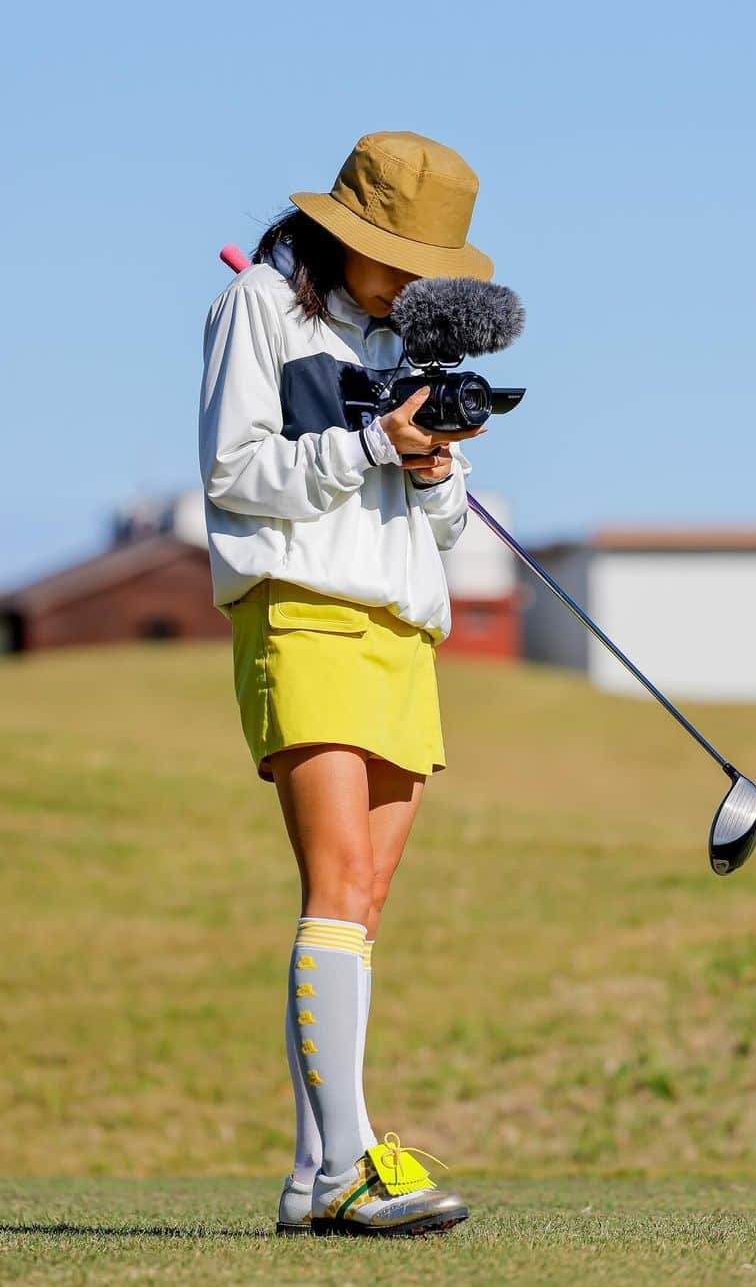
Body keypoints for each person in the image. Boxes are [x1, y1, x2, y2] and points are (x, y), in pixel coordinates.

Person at [197, 131, 493, 1237]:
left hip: (402, 628)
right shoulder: (260, 310)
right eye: (398, 254)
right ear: (342, 230)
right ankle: (354, 1162)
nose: (416, 279)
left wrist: (433, 464)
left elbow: (450, 525)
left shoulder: (403, 336)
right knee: (334, 887)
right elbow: (234, 474)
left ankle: (314, 1175)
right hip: (303, 612)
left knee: (361, 905)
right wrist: (372, 443)